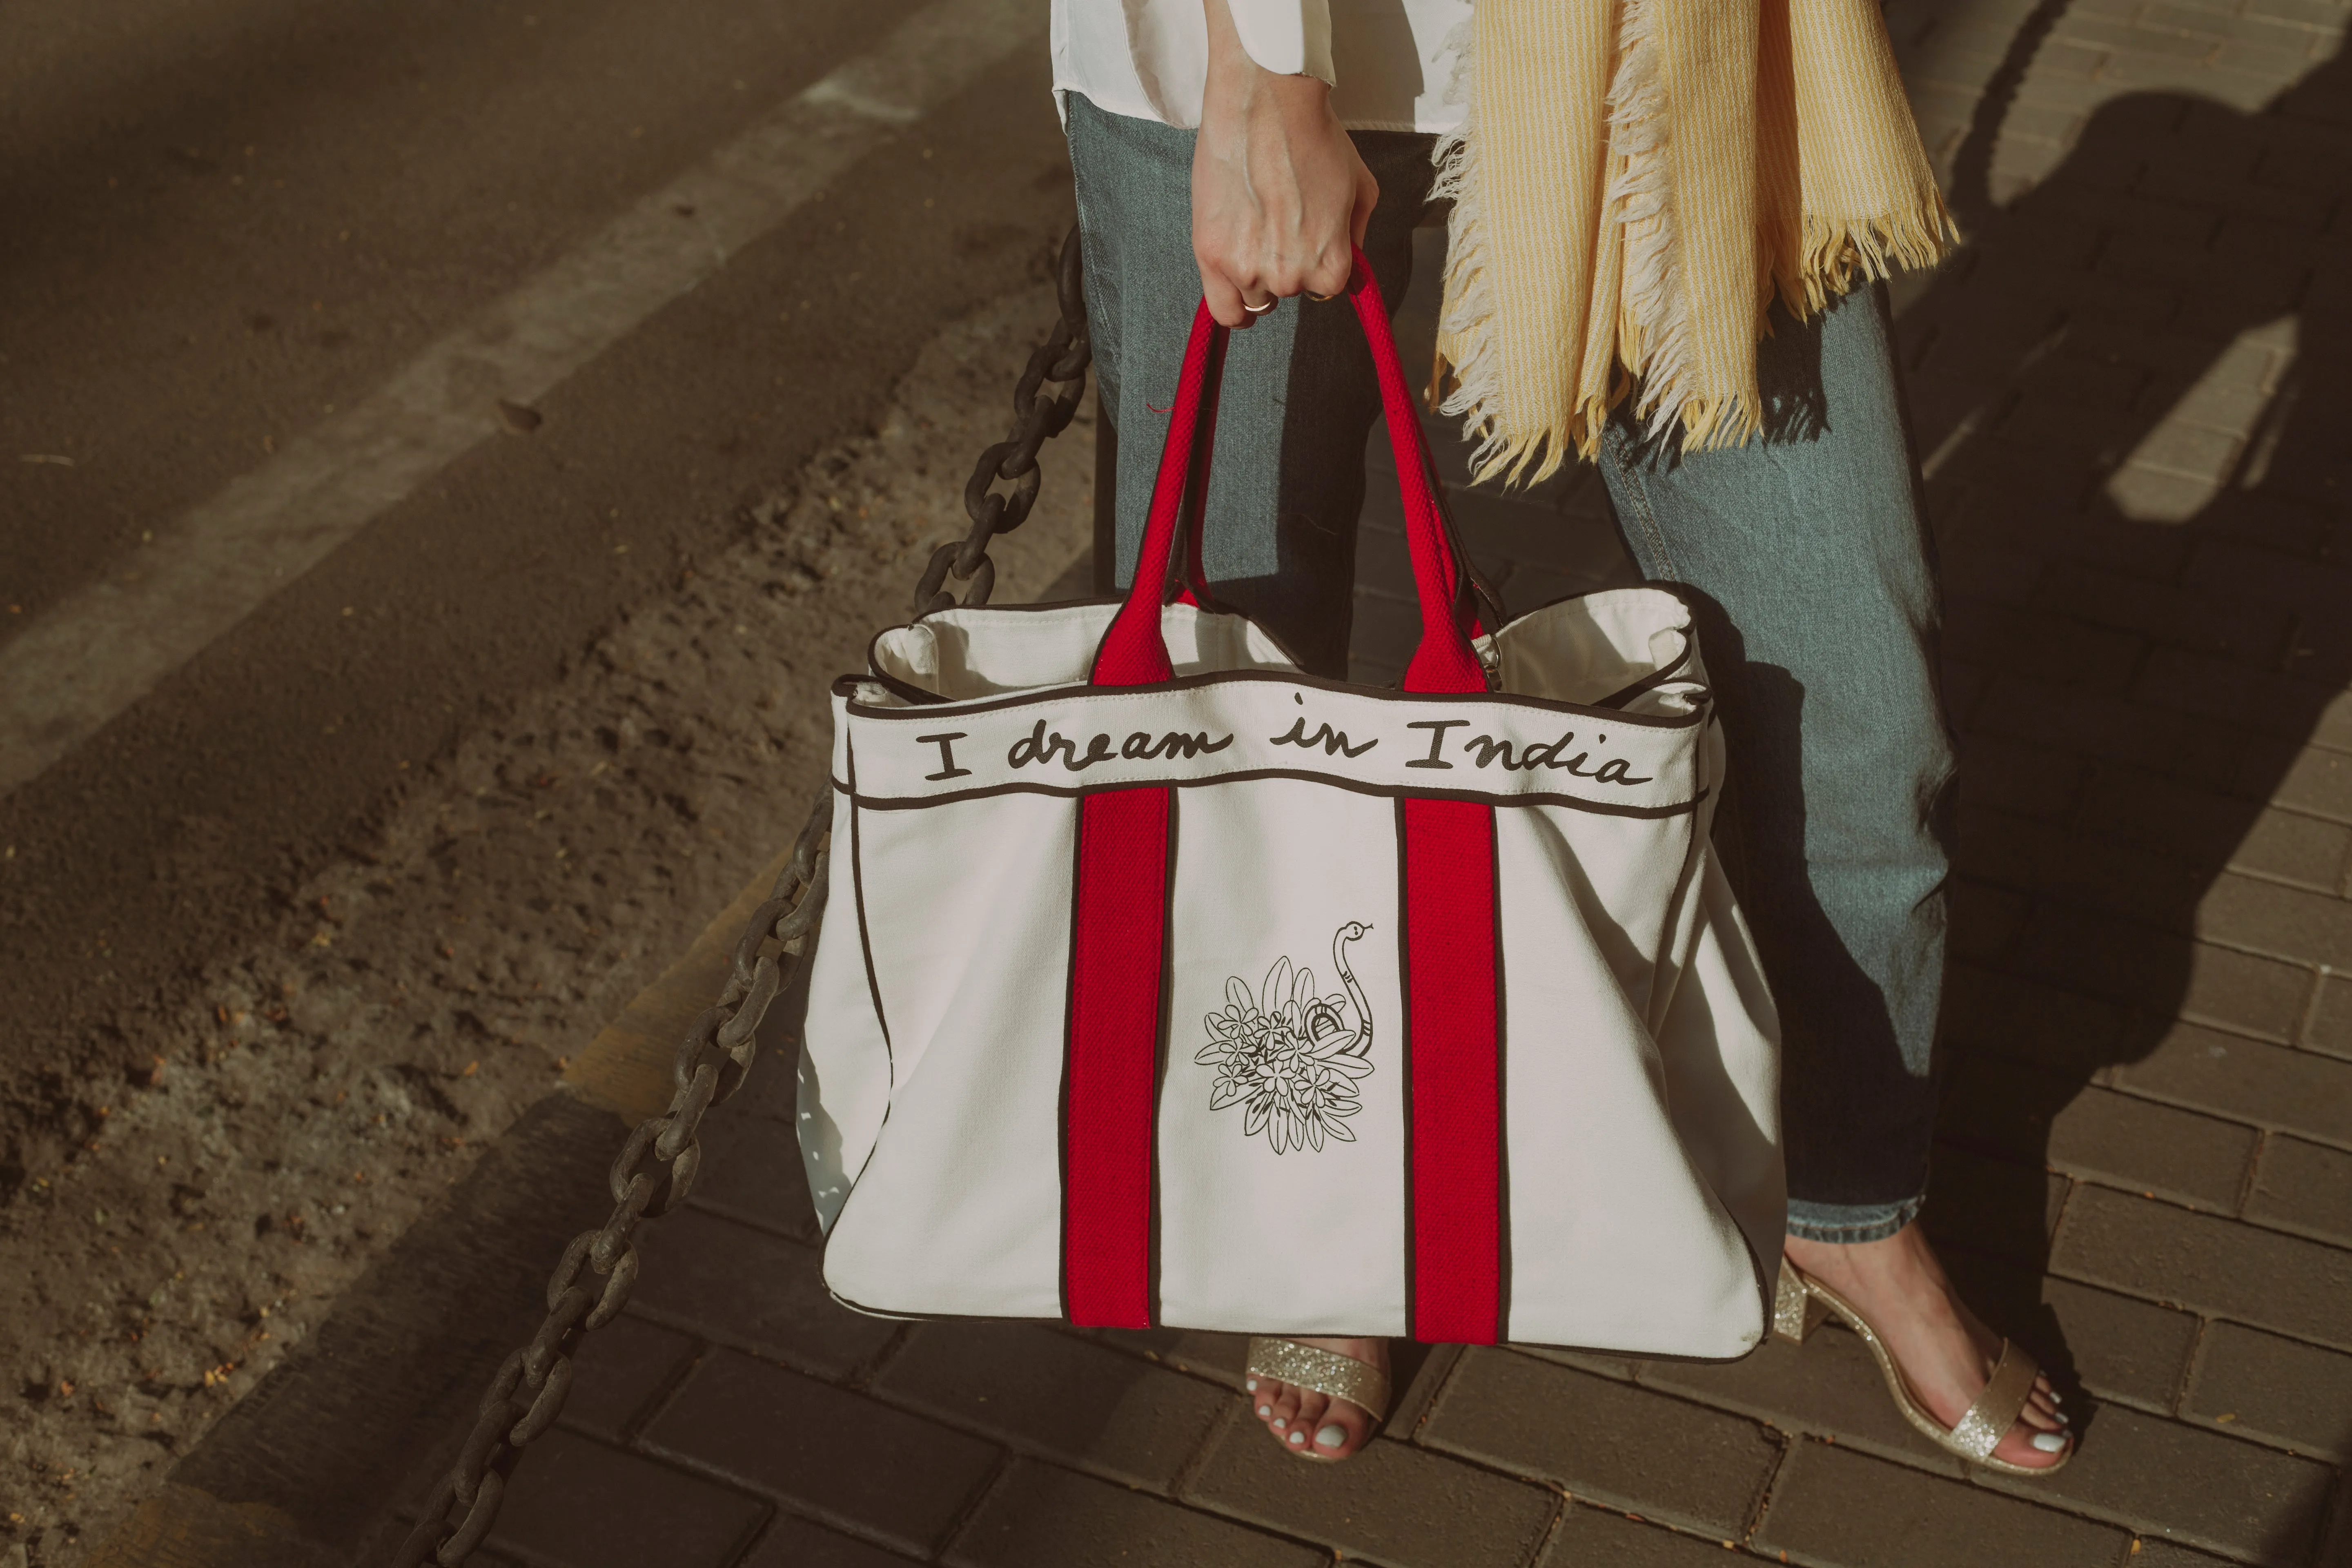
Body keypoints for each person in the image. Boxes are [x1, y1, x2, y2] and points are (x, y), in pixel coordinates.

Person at [1051, 0, 2073, 1472]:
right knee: (1239, 691)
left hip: (1672, 48)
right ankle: (1317, 1198)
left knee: (1848, 666)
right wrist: (1259, 61)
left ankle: (1852, 1211)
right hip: (1229, 64)